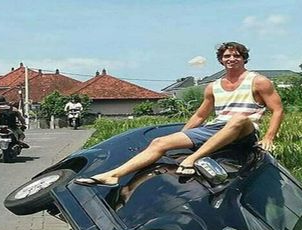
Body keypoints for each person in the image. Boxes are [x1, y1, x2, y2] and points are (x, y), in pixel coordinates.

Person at [74, 41, 284, 187]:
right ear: (221, 60)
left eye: (236, 55)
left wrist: (268, 137)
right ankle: (113, 175)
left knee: (238, 119)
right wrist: (182, 136)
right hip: (216, 128)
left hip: (244, 130)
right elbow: (200, 116)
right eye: (227, 56)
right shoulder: (213, 86)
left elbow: (277, 110)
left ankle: (192, 159)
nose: (231, 59)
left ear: (244, 59)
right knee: (159, 142)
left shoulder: (258, 81)